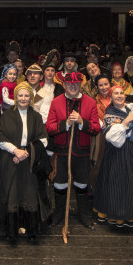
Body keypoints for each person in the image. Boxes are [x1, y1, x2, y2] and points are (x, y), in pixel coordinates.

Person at [0, 82, 51, 241]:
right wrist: (15, 151)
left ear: (31, 98)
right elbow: (0, 137)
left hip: (30, 160)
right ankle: (11, 230)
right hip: (10, 159)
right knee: (11, 192)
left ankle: (31, 230)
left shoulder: (36, 116)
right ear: (16, 97)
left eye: (27, 95)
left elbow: (43, 139)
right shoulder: (7, 115)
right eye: (20, 95)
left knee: (30, 193)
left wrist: (25, 152)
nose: (23, 98)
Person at [46, 71, 101, 228]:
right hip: (61, 151)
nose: (73, 86)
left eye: (76, 84)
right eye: (69, 84)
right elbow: (49, 128)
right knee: (60, 183)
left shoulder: (90, 102)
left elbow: (96, 128)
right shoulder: (56, 102)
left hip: (82, 152)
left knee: (82, 184)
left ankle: (84, 215)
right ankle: (59, 213)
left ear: (81, 85)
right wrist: (66, 124)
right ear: (63, 85)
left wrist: (82, 122)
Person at [94, 86, 133, 227]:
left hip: (130, 151)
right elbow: (112, 138)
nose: (119, 96)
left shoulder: (131, 108)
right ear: (111, 97)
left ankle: (128, 215)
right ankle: (116, 214)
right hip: (116, 153)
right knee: (116, 183)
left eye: (122, 93)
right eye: (116, 94)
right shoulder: (110, 112)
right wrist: (126, 122)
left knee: (130, 182)